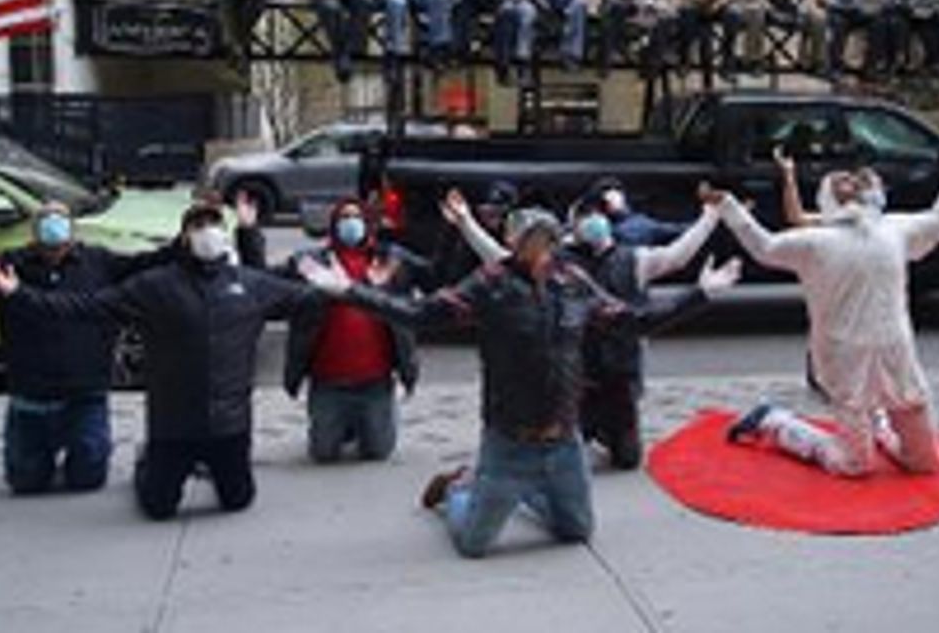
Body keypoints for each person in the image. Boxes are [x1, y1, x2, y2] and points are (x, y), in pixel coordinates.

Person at [297, 207, 741, 558]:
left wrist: (700, 294)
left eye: (547, 237)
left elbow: (633, 321)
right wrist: (349, 292)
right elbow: (422, 314)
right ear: (513, 243)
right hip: (509, 440)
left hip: (564, 442)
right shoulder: (490, 285)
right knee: (473, 545)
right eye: (530, 238)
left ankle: (524, 494)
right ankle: (460, 488)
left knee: (577, 531)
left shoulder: (573, 282)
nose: (540, 247)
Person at [0, 175, 243, 495]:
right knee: (26, 483)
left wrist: (191, 233)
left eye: (60, 224)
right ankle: (34, 458)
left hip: (85, 396)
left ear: (72, 232)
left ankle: (99, 454)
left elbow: (149, 262)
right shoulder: (10, 268)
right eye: (46, 223)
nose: (54, 233)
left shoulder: (98, 264)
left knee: (86, 479)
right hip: (30, 400)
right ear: (34, 232)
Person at [0, 200, 318, 521]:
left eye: (213, 224)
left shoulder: (247, 284)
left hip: (229, 427)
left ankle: (213, 467)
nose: (207, 231)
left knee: (238, 500)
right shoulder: (155, 286)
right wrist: (18, 295)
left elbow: (304, 298)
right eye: (197, 225)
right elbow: (84, 307)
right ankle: (148, 460)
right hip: (173, 427)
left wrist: (341, 286)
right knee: (158, 507)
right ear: (183, 237)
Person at [722, 151, 939, 477]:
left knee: (926, 462)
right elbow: (766, 248)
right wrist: (730, 208)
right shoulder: (816, 241)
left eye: (853, 180)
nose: (849, 183)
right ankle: (775, 422)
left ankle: (881, 427)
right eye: (840, 181)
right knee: (855, 465)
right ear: (828, 197)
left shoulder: (893, 230)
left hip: (896, 355)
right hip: (846, 356)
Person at [446, 184, 728, 469]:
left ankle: (607, 435)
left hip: (620, 373)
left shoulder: (631, 260)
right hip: (576, 377)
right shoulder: (559, 266)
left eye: (598, 214)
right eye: (585, 215)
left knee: (627, 458)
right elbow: (500, 257)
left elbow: (676, 257)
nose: (593, 220)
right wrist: (466, 223)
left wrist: (711, 219)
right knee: (565, 455)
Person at [283, 198, 427, 463]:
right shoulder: (309, 263)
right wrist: (248, 232)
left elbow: (438, 273)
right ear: (334, 225)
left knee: (377, 452)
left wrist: (458, 227)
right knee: (324, 454)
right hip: (328, 381)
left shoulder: (391, 260)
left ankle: (366, 420)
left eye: (356, 217)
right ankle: (343, 422)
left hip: (375, 382)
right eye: (344, 218)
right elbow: (264, 282)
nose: (351, 223)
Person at [431, 179, 518, 286]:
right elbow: (439, 272)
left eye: (501, 214)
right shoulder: (458, 229)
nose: (496, 221)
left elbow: (508, 264)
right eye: (490, 214)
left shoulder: (514, 230)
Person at [586, 176, 687, 247]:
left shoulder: (640, 224)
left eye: (613, 196)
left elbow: (673, 229)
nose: (610, 201)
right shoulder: (597, 226)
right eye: (606, 200)